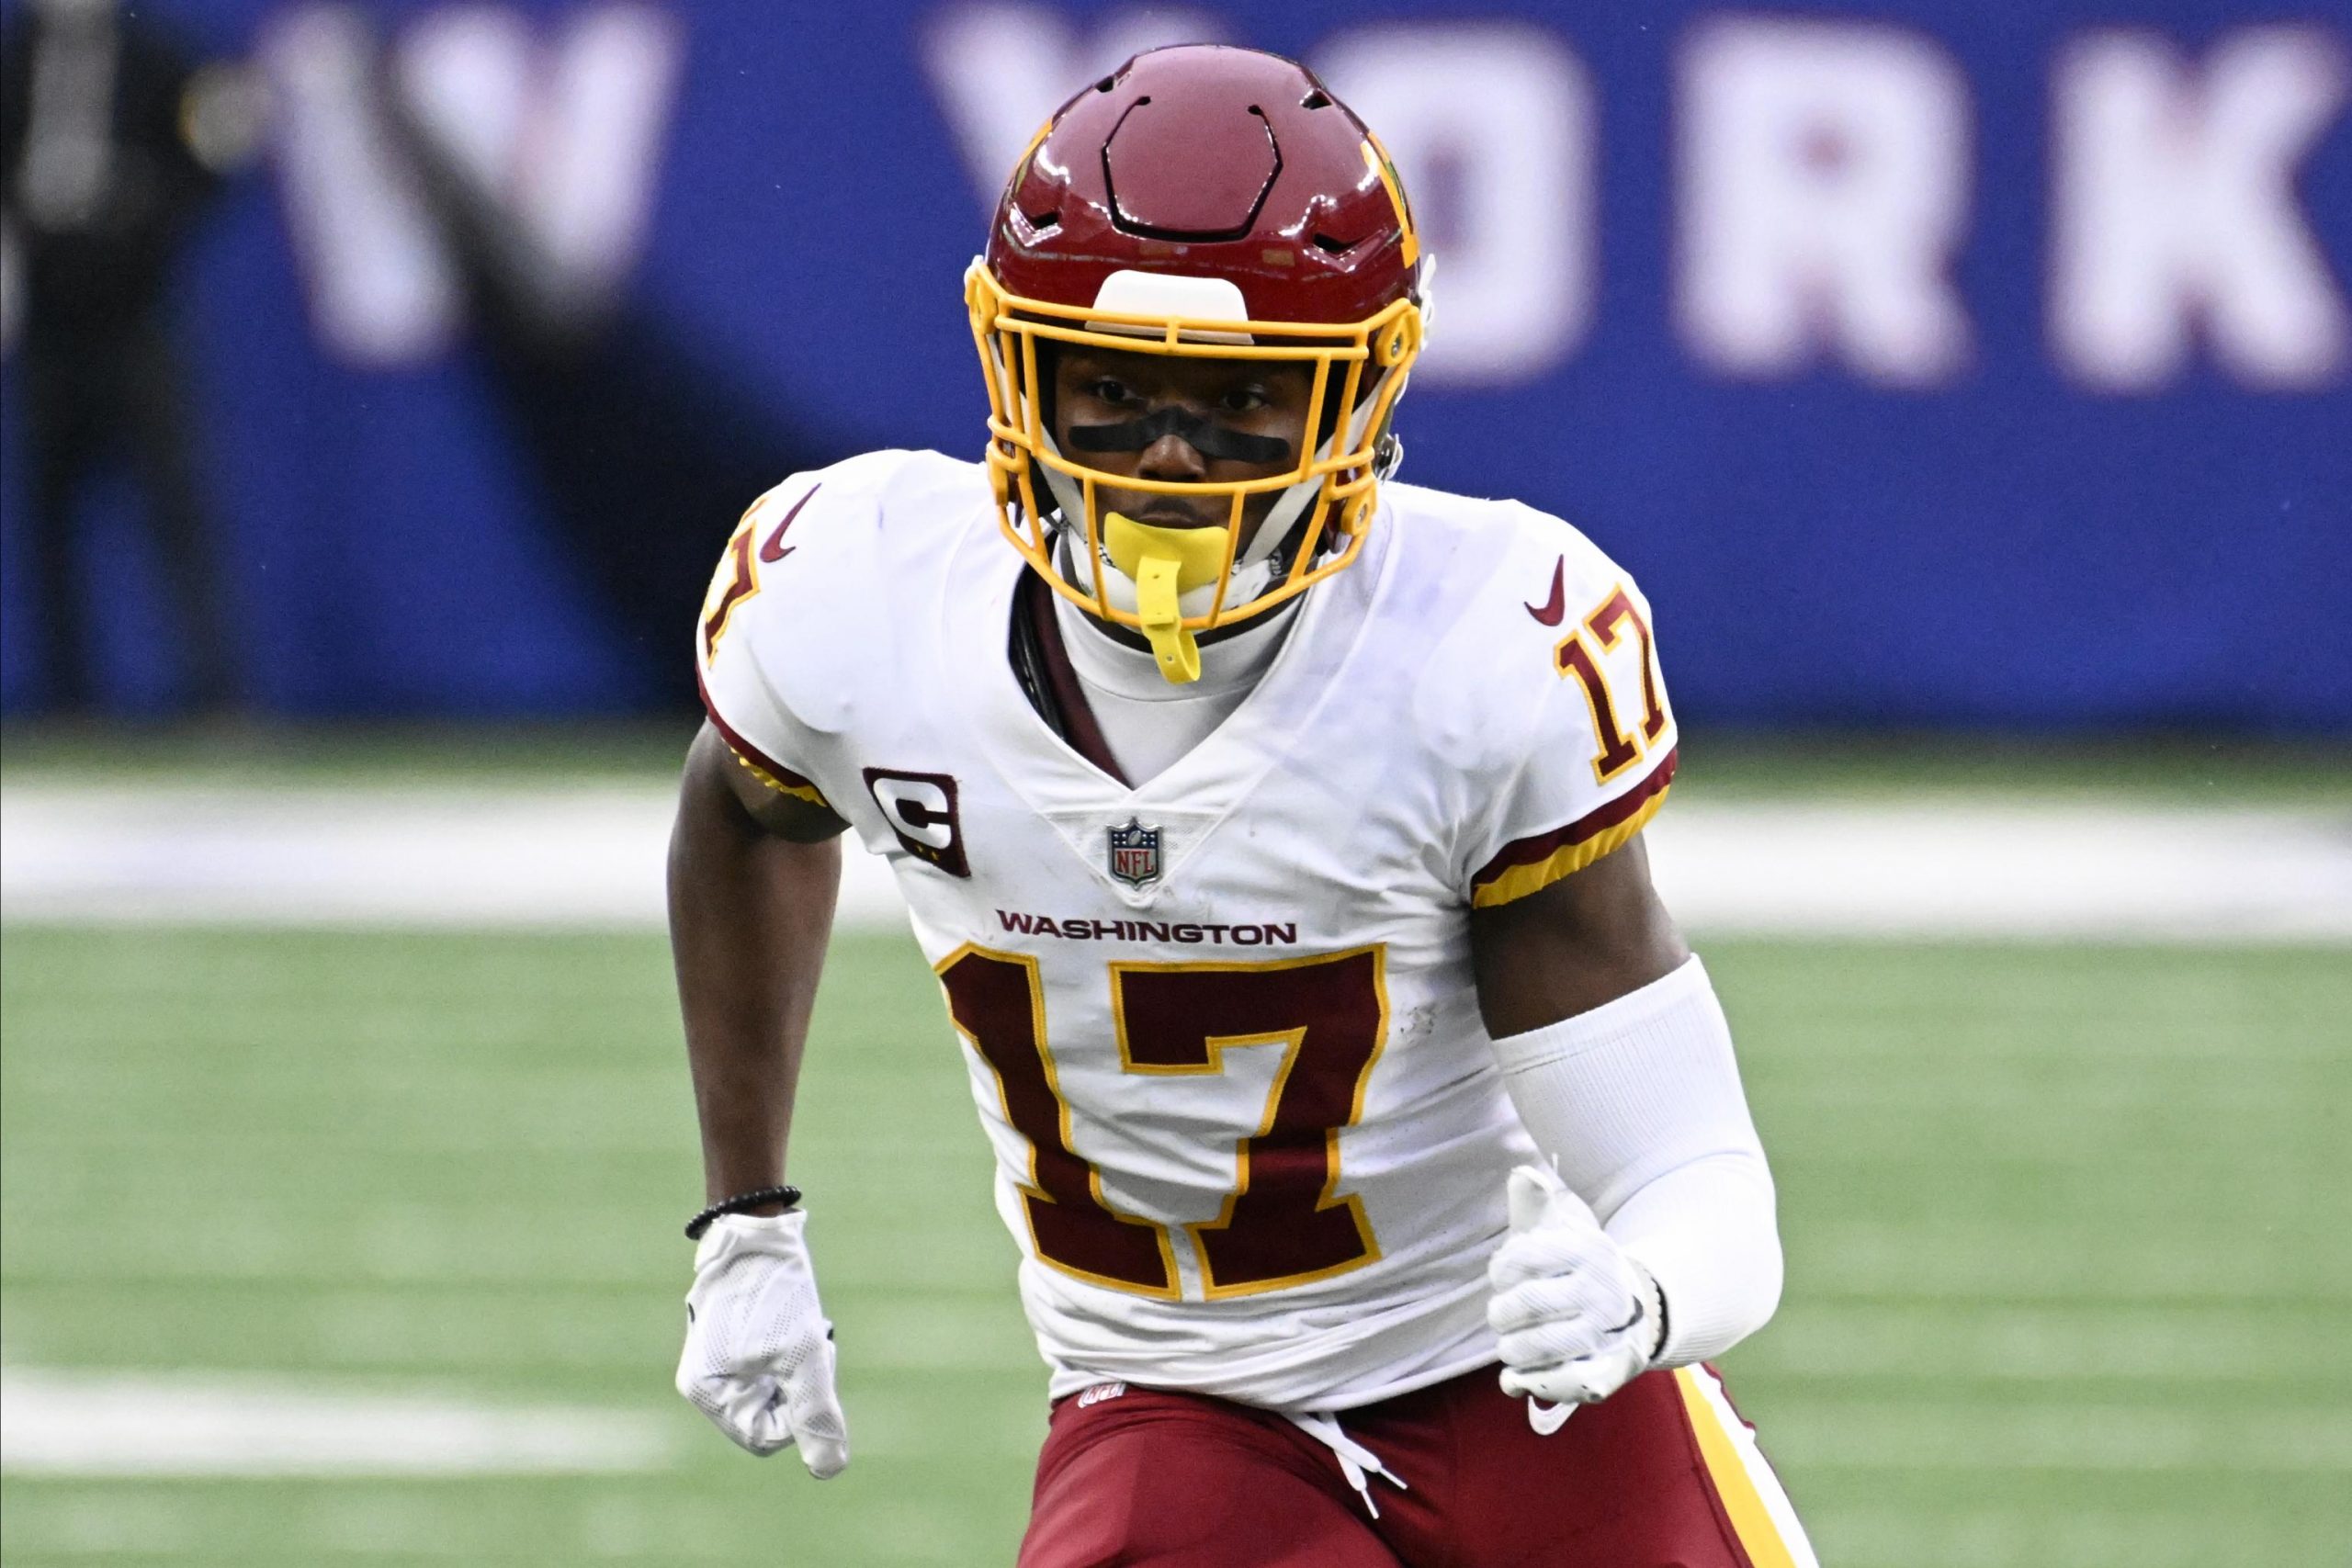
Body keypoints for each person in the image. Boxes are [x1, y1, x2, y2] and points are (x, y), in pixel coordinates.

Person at [670, 43, 1815, 1566]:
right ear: (1019, 369)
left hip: (1516, 1382)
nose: (1166, 459)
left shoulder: (1479, 653)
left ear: (1358, 396)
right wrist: (744, 1218)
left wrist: (1644, 1295)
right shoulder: (859, 602)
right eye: (1115, 390)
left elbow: (1694, 1170)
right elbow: (748, 810)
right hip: (1173, 1403)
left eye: (1237, 406)